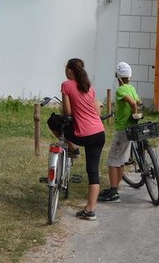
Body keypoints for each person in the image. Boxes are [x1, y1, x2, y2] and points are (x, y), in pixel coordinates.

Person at [59, 57, 106, 220]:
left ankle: (73, 150)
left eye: (66, 69)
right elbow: (95, 110)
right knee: (93, 171)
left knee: (54, 123)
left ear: (70, 71)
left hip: (83, 135)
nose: (65, 71)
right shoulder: (89, 87)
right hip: (99, 133)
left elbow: (67, 113)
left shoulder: (66, 85)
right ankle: (90, 210)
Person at [98, 61, 142, 203]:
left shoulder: (121, 90)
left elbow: (133, 103)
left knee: (112, 160)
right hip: (130, 129)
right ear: (130, 76)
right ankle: (115, 187)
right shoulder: (132, 88)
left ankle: (113, 192)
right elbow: (138, 101)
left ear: (117, 76)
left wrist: (134, 112)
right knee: (121, 160)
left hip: (122, 129)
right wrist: (135, 113)